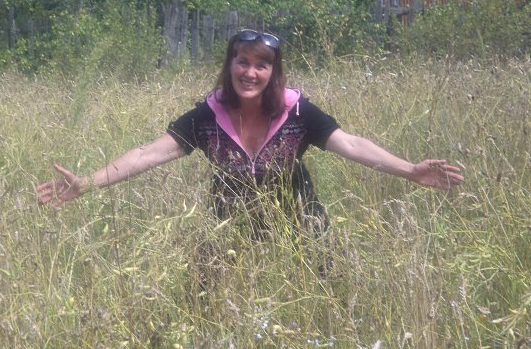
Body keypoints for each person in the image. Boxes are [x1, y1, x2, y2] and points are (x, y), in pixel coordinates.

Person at [36, 29, 464, 235]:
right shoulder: (207, 116)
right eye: (242, 62)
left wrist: (409, 170)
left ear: (274, 72)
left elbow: (349, 143)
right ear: (230, 66)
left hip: (301, 224)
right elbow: (148, 153)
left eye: (262, 65)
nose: (251, 72)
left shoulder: (298, 111)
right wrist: (88, 183)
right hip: (229, 227)